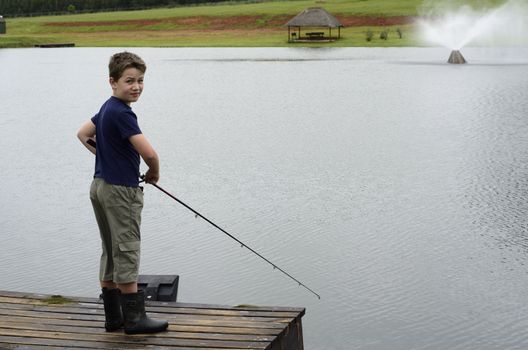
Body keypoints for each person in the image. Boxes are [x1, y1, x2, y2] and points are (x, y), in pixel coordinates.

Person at [77, 52, 168, 334]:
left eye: (141, 81)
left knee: (110, 249)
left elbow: (82, 134)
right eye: (129, 81)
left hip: (100, 186)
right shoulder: (123, 113)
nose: (136, 86)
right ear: (112, 81)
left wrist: (104, 152)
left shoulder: (106, 108)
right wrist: (154, 172)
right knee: (126, 248)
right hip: (120, 191)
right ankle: (134, 319)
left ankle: (113, 317)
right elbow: (149, 153)